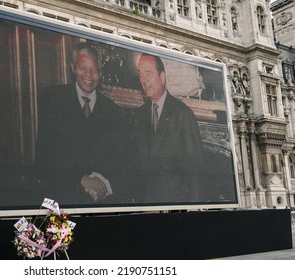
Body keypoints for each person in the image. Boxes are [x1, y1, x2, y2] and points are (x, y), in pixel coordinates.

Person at [35, 42, 132, 205]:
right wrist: (80, 179)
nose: (88, 75)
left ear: (100, 73)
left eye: (94, 70)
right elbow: (43, 158)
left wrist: (105, 186)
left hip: (101, 205)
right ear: (73, 68)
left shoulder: (114, 111)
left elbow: (122, 162)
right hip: (59, 201)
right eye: (83, 68)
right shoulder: (53, 98)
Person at [132, 53, 207, 203]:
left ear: (162, 77)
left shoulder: (183, 114)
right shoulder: (138, 116)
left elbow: (196, 173)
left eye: (148, 73)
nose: (143, 80)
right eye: (140, 74)